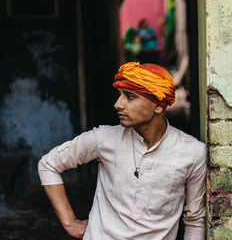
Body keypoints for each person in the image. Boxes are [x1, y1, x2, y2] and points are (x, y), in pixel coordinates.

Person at [38, 62, 206, 239]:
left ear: (157, 106)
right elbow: (48, 164)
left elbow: (195, 220)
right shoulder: (103, 138)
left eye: (130, 97)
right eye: (119, 95)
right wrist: (70, 223)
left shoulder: (192, 152)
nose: (118, 104)